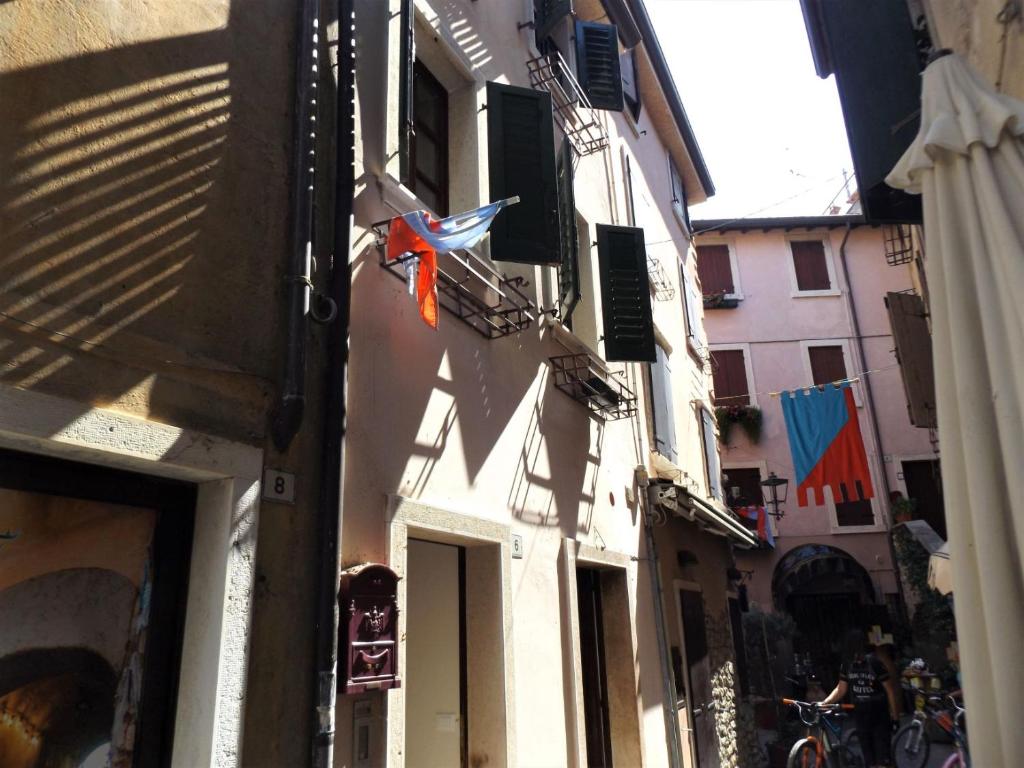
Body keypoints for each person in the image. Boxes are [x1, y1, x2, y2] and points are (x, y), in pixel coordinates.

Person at [820, 629, 899, 768]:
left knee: (882, 759)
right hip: (861, 716)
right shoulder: (847, 664)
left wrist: (895, 716)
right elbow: (841, 689)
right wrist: (824, 703)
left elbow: (889, 690)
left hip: (879, 715)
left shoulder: (874, 662)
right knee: (870, 760)